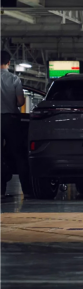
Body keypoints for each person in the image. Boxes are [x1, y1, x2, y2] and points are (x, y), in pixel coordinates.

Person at [1, 51, 26, 196]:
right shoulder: (14, 79)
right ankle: (26, 189)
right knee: (18, 153)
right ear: (8, 62)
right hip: (10, 120)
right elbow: (21, 102)